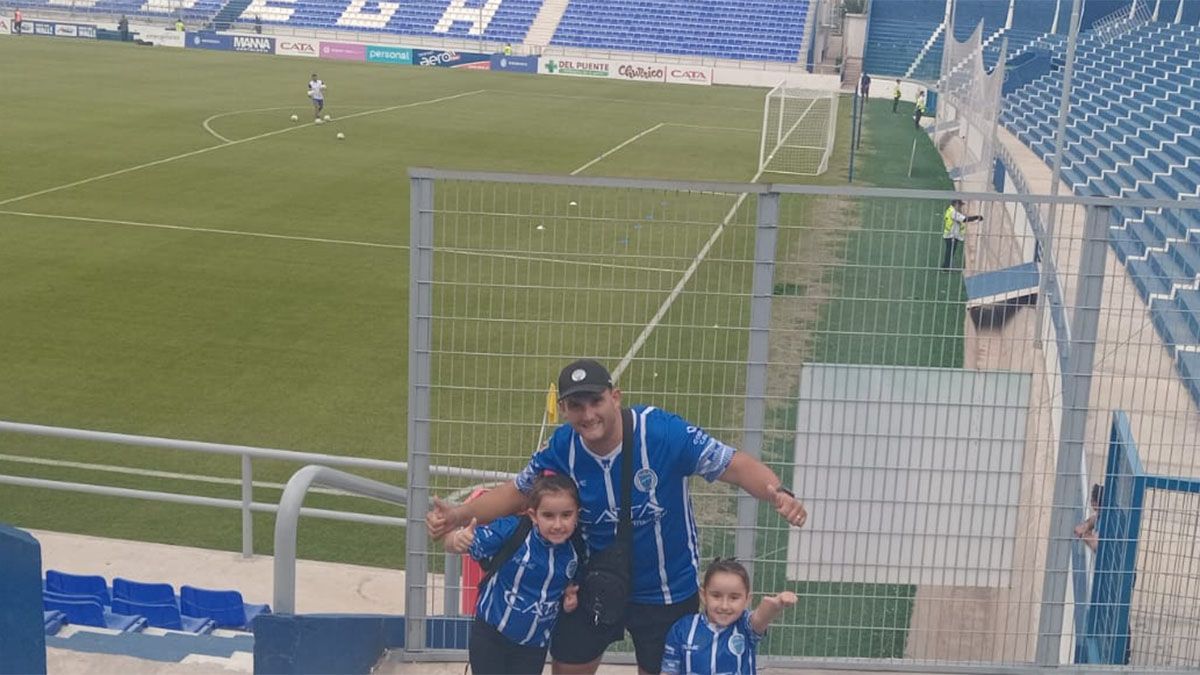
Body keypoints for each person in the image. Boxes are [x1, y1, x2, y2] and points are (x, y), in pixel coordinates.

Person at [427, 359, 808, 675]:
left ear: (615, 397)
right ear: (563, 409)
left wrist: (776, 492)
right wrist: (459, 514)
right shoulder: (563, 445)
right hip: (595, 584)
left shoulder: (662, 432)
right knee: (569, 666)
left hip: (666, 587)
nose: (588, 414)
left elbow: (733, 465)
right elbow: (519, 492)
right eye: (576, 405)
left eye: (595, 401)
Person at [445, 474, 584, 675]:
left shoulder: (577, 549)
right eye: (548, 516)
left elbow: (570, 585)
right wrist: (456, 539)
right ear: (533, 515)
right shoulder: (513, 530)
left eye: (566, 515)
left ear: (577, 515)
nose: (557, 525)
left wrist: (569, 597)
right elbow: (452, 543)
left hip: (534, 647)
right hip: (491, 637)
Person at [661, 559, 797, 675]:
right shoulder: (682, 629)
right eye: (716, 596)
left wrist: (775, 605)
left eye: (734, 597)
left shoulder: (745, 626)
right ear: (703, 596)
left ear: (747, 600)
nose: (724, 606)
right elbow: (669, 671)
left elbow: (760, 619)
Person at [942, 199, 983, 270]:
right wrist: (976, 217)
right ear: (956, 204)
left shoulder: (950, 210)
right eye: (960, 205)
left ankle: (947, 265)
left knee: (950, 252)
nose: (960, 207)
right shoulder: (953, 212)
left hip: (950, 234)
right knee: (950, 252)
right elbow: (964, 219)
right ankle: (946, 267)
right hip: (951, 235)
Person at [1074, 483, 1103, 553]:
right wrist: (1084, 527)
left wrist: (1084, 535)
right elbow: (1093, 520)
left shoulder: (1107, 521)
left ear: (1095, 503)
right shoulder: (1107, 512)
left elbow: (1096, 546)